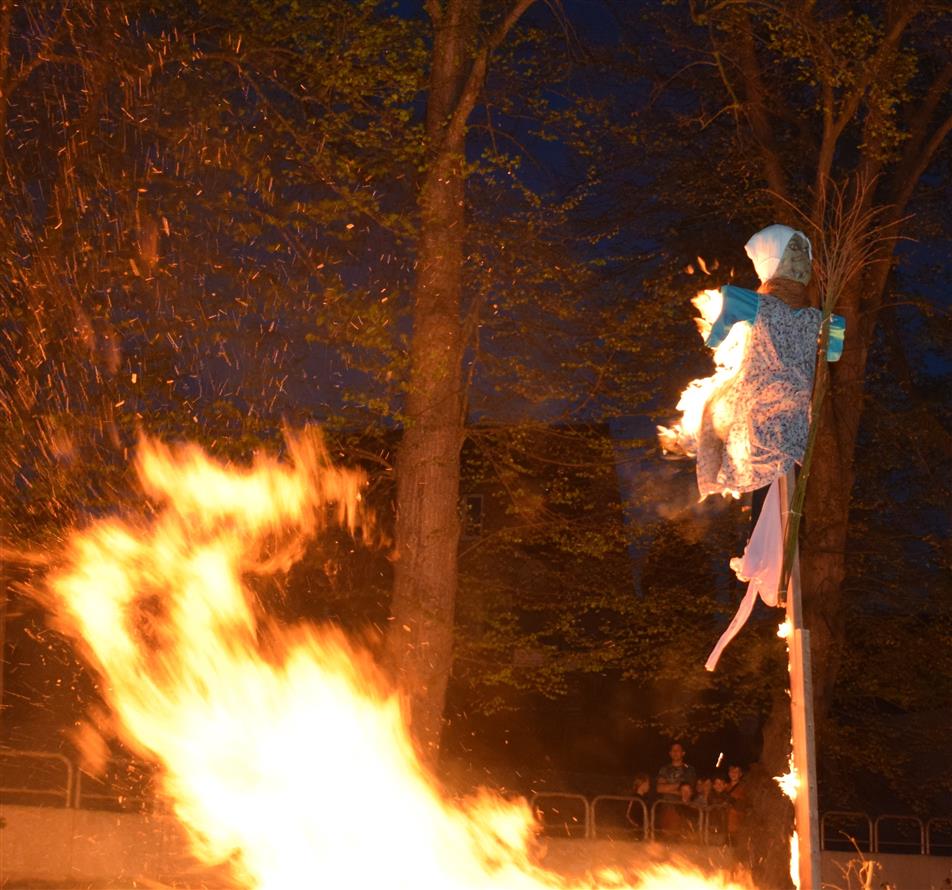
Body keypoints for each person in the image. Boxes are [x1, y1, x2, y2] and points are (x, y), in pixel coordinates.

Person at [725, 763, 749, 847]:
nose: (733, 774)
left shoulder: (744, 788)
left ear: (740, 774)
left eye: (736, 772)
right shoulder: (725, 787)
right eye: (732, 771)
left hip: (736, 823)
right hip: (725, 823)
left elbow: (744, 803)